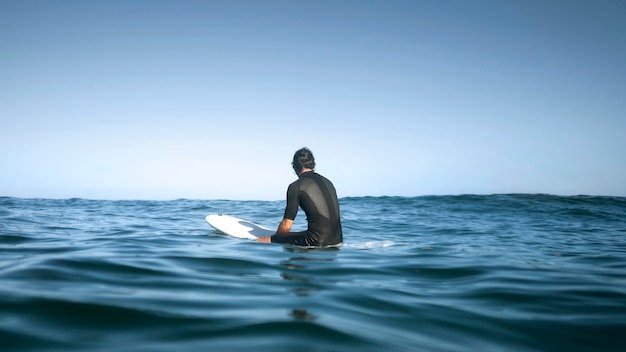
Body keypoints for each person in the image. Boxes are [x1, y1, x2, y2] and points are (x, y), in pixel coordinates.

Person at [257, 147, 343, 247]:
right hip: (338, 241)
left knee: (262, 240)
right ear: (313, 164)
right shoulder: (329, 182)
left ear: (293, 166)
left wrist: (277, 239)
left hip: (317, 242)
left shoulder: (296, 186)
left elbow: (287, 226)